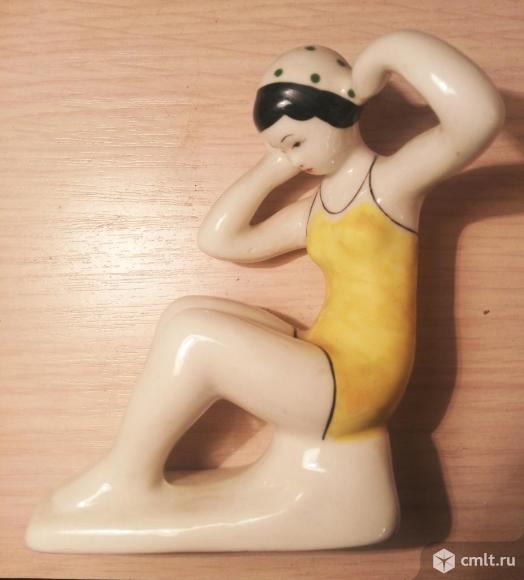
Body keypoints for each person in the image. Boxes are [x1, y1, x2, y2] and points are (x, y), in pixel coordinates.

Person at [26, 31, 504, 553]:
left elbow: (477, 116)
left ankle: (125, 475)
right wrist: (270, 167)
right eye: (282, 147)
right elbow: (221, 240)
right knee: (187, 311)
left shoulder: (391, 184)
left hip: (357, 384)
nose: (294, 159)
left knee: (195, 335)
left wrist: (389, 52)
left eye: (296, 142)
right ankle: (125, 473)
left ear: (340, 113)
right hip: (328, 356)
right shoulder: (317, 211)